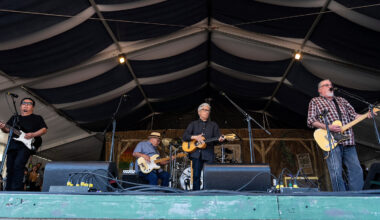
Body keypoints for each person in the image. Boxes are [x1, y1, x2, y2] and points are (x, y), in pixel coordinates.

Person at [307, 79, 375, 191]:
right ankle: (342, 197)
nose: (330, 87)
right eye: (326, 85)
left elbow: (354, 116)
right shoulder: (315, 101)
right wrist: (328, 127)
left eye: (331, 85)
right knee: (335, 172)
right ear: (320, 90)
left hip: (348, 140)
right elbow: (311, 121)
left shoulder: (342, 100)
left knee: (356, 170)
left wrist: (366, 115)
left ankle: (358, 196)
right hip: (331, 140)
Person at [0, 97, 47, 191]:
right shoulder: (14, 118)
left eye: (28, 103)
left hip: (25, 146)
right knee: (10, 167)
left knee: (18, 165)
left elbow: (44, 129)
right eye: (24, 103)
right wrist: (2, 127)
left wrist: (33, 134)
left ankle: (16, 189)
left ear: (32, 107)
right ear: (20, 106)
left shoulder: (37, 118)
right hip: (12, 145)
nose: (26, 104)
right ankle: (8, 189)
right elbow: (7, 130)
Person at [182, 103, 224, 190]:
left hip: (208, 154)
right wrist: (195, 137)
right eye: (205, 110)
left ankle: (208, 194)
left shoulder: (213, 125)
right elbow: (185, 136)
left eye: (208, 110)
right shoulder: (193, 124)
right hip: (196, 154)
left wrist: (220, 140)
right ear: (199, 112)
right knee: (196, 175)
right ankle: (196, 195)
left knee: (209, 176)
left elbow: (217, 141)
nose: (207, 112)